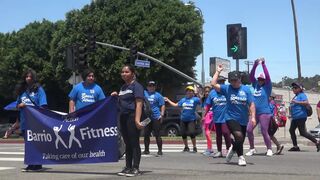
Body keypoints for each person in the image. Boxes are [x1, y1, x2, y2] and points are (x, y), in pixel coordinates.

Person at [211, 65, 256, 166]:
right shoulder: (227, 88)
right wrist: (218, 72)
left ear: (240, 79)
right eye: (232, 81)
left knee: (240, 139)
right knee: (238, 136)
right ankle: (241, 157)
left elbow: (252, 104)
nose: (234, 82)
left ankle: (233, 148)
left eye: (236, 80)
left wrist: (253, 117)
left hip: (243, 119)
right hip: (230, 117)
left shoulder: (246, 90)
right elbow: (213, 84)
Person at [112, 64, 144, 177]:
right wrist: (116, 96)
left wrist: (137, 119)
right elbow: (122, 103)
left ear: (132, 74)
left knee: (134, 143)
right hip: (123, 117)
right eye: (122, 72)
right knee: (127, 143)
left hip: (132, 116)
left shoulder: (137, 86)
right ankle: (128, 167)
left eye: (126, 72)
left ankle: (136, 168)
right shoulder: (123, 88)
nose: (124, 74)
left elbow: (139, 104)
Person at [17, 69, 48, 172]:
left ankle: (37, 164)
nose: (28, 78)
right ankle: (31, 164)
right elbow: (17, 105)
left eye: (30, 76)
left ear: (34, 78)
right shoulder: (22, 91)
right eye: (26, 76)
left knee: (36, 143)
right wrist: (20, 105)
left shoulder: (39, 90)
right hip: (25, 121)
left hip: (36, 122)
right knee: (28, 144)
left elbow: (43, 106)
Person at [246, 58, 273, 157]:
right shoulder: (255, 85)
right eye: (259, 79)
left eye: (262, 79)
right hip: (255, 113)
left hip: (264, 112)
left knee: (263, 131)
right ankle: (252, 149)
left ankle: (269, 149)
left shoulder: (267, 86)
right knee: (249, 130)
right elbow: (251, 75)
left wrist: (263, 65)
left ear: (265, 80)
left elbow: (268, 76)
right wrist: (255, 64)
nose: (260, 80)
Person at [165, 86, 201, 153]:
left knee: (192, 133)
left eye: (191, 91)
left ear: (193, 92)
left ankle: (194, 147)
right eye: (188, 91)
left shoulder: (195, 99)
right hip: (183, 119)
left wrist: (198, 93)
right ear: (186, 92)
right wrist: (168, 100)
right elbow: (175, 105)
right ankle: (186, 147)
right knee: (183, 133)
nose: (189, 92)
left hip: (191, 119)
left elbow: (201, 101)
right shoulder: (183, 100)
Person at [288, 82, 320, 152]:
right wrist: (291, 113)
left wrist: (296, 102)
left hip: (301, 116)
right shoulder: (296, 96)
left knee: (302, 132)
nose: (293, 89)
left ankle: (317, 142)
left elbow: (306, 102)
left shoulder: (302, 95)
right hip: (295, 117)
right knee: (292, 130)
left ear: (300, 89)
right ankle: (295, 146)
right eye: (293, 88)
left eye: (295, 88)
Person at [205, 76, 231, 158]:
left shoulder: (227, 91)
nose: (222, 83)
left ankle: (228, 149)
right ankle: (219, 151)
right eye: (220, 82)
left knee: (226, 133)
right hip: (216, 117)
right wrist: (204, 114)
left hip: (226, 117)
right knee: (218, 134)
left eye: (223, 82)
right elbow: (208, 105)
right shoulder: (212, 93)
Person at [143, 81, 165, 156]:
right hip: (146, 117)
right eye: (149, 86)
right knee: (146, 134)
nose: (151, 87)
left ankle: (160, 150)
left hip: (156, 116)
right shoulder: (144, 93)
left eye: (153, 86)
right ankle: (146, 150)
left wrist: (162, 114)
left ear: (155, 87)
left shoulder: (158, 95)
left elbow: (162, 105)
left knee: (157, 134)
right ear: (147, 87)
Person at [201, 86, 214, 156]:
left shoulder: (213, 98)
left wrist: (204, 116)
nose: (207, 93)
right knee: (207, 133)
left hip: (212, 116)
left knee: (207, 132)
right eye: (205, 91)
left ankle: (210, 149)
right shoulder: (204, 100)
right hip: (207, 117)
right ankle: (209, 148)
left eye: (208, 91)